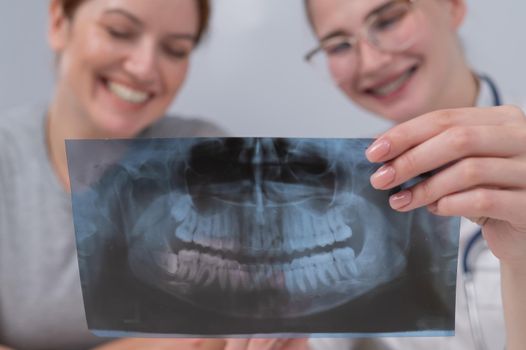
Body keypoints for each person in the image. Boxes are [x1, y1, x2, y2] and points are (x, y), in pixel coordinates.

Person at [0, 1, 309, 350]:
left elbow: (218, 335)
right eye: (119, 31)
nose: (144, 67)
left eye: (175, 50)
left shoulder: (203, 156)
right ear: (58, 22)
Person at [302, 0, 526, 349]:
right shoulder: (342, 196)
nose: (372, 63)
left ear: (452, 7)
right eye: (339, 45)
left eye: (388, 20)